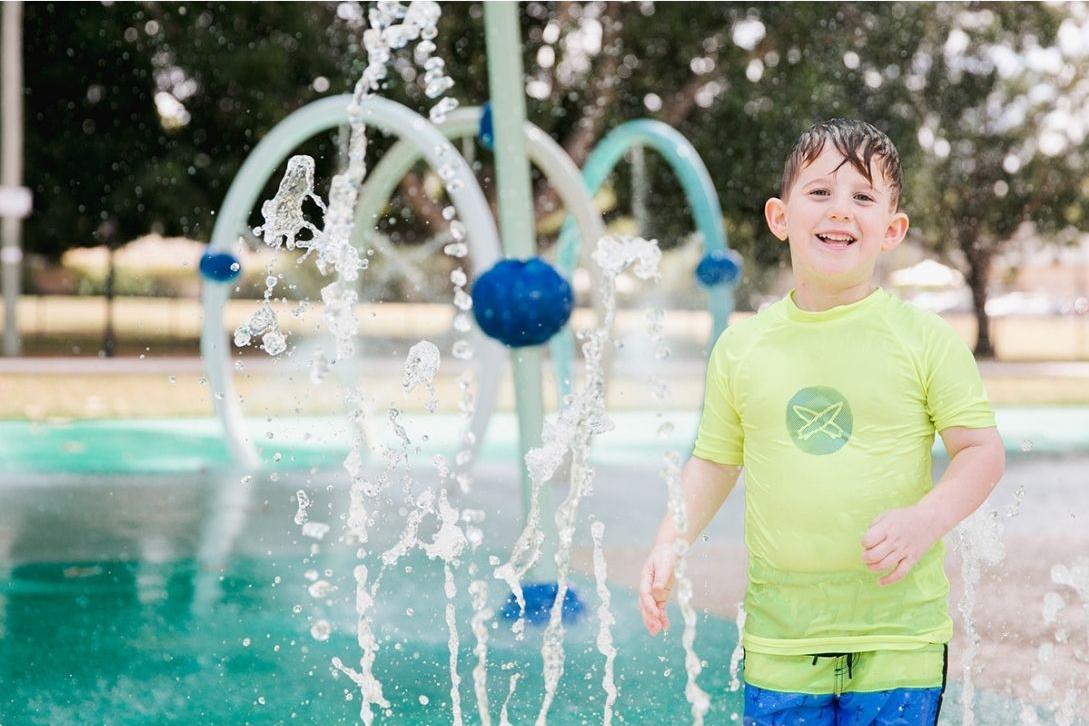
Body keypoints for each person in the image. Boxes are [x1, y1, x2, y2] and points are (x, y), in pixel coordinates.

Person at [637, 118, 1005, 725]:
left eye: (862, 197)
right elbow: (714, 461)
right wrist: (668, 542)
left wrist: (925, 520)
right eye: (821, 193)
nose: (841, 210)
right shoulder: (742, 347)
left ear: (891, 230)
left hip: (899, 636)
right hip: (782, 638)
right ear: (780, 218)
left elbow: (981, 452)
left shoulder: (924, 340)